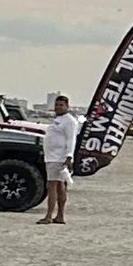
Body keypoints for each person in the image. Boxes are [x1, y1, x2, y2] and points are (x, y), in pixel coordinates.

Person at [40, 92, 78, 222]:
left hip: (58, 158)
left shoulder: (70, 121)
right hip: (51, 156)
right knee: (60, 186)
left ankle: (49, 215)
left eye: (61, 105)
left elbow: (71, 140)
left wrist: (69, 156)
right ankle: (59, 216)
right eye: (56, 105)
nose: (58, 107)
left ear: (67, 106)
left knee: (52, 186)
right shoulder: (58, 120)